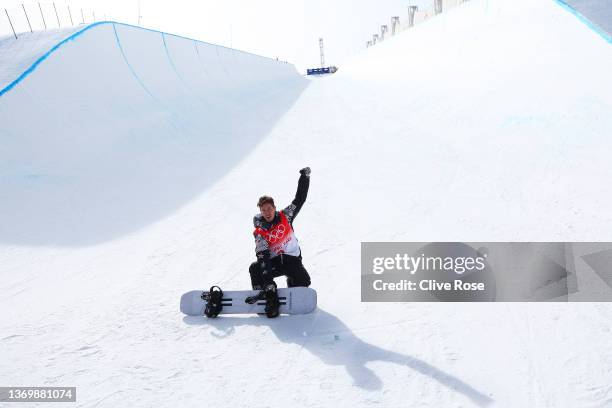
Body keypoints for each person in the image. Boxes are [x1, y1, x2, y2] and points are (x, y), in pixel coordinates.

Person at [246, 167, 312, 318]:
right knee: (255, 268)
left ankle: (293, 281)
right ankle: (268, 298)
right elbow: (263, 256)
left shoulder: (286, 216)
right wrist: (268, 282)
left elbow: (299, 199)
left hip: (292, 259)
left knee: (304, 282)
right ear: (260, 212)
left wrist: (305, 178)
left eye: (269, 209)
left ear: (274, 208)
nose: (267, 212)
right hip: (274, 262)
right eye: (264, 210)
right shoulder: (260, 232)